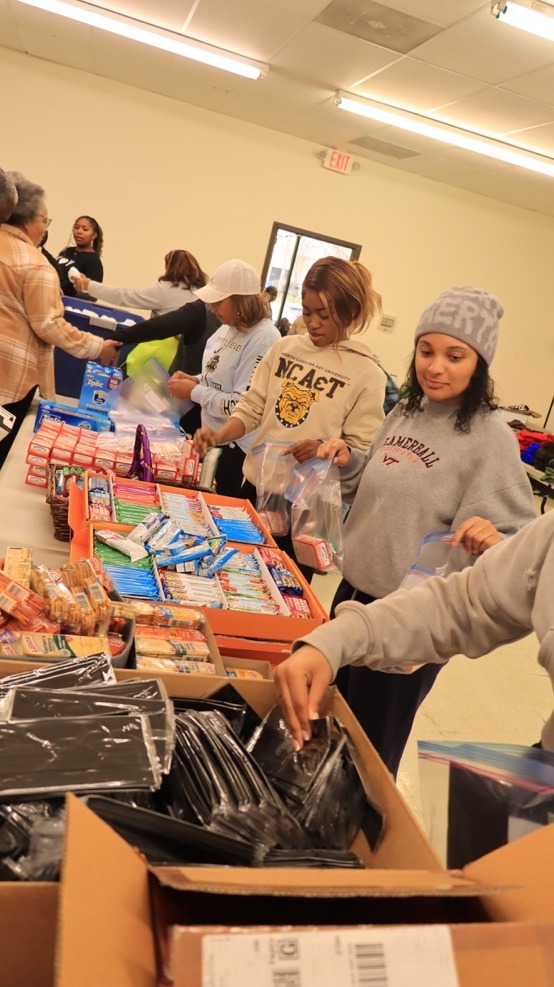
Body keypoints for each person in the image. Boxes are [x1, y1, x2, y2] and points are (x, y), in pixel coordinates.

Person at [278, 285, 536, 777]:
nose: (435, 366)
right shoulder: (406, 412)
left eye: (454, 356)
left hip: (413, 620)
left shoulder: (491, 439)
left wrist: (493, 540)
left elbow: (521, 549)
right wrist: (347, 461)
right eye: (426, 351)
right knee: (332, 728)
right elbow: (372, 485)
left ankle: (367, 842)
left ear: (479, 363)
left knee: (371, 754)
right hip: (353, 595)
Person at [274, 507, 553, 753]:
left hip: (393, 603)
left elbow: (507, 528)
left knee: (372, 741)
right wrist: (334, 640)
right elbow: (460, 603)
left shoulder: (489, 448)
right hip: (372, 601)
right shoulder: (547, 537)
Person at [193, 256, 386, 567]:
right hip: (258, 489)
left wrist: (324, 449)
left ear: (349, 312)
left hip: (306, 508)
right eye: (307, 312)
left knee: (288, 591)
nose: (313, 323)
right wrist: (219, 434)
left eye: (323, 315)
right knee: (238, 570)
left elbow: (359, 451)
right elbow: (252, 407)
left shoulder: (367, 373)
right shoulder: (285, 348)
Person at [0, 173, 121, 468]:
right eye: (45, 220)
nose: (44, 228)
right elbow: (49, 324)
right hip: (9, 383)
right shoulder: (34, 263)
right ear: (28, 219)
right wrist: (99, 347)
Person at [167, 259, 280, 497]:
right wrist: (196, 379)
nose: (212, 307)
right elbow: (218, 374)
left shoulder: (264, 338)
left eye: (219, 301)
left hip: (235, 449)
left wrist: (193, 392)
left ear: (241, 300)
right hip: (212, 439)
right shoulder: (228, 326)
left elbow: (241, 405)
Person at [71, 249, 208, 318]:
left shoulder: (166, 290)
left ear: (169, 267)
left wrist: (88, 285)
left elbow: (125, 296)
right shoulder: (203, 292)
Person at [54, 215, 104, 297]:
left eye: (85, 229)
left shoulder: (93, 260)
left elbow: (92, 295)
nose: (79, 231)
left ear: (94, 235)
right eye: (76, 227)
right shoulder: (67, 251)